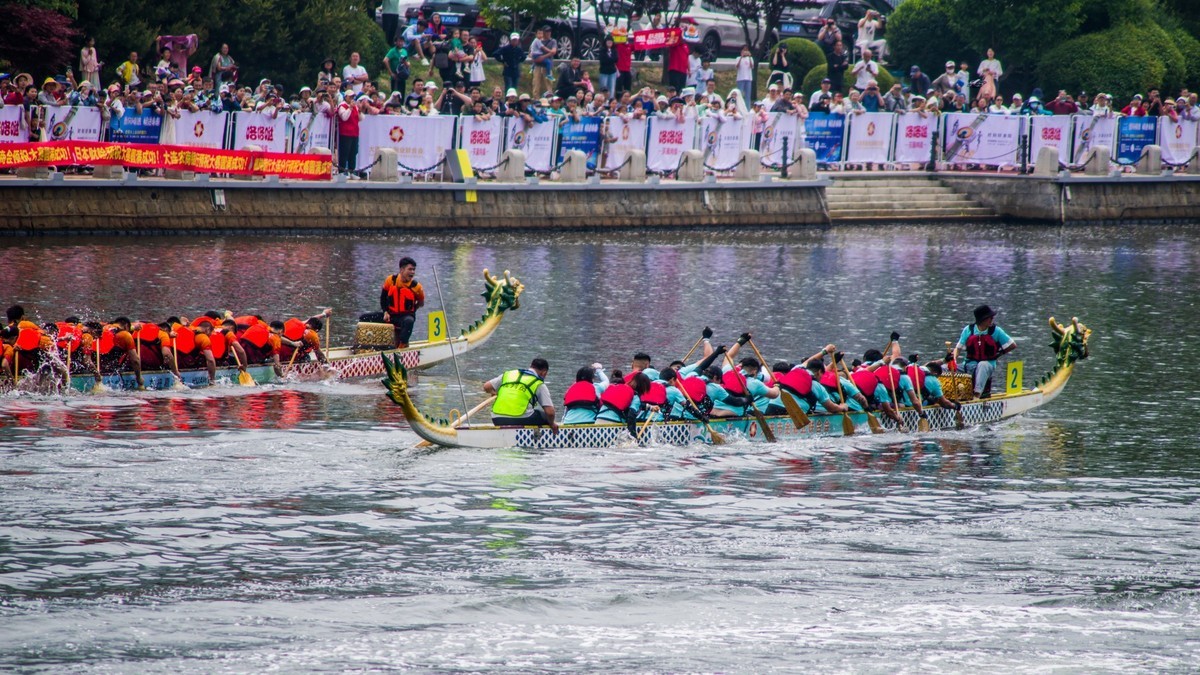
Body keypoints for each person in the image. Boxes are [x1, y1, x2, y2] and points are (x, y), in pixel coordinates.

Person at [952, 304, 1016, 399]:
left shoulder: (996, 331)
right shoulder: (968, 330)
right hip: (968, 365)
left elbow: (1012, 345)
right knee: (944, 368)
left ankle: (976, 395)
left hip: (987, 365)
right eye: (990, 318)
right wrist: (954, 360)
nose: (992, 320)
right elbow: (958, 348)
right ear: (982, 319)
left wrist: (999, 354)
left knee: (982, 364)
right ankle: (945, 396)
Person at [485, 358, 557, 431]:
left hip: (497, 419)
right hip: (520, 420)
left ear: (531, 366)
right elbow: (550, 412)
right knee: (544, 414)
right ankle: (537, 437)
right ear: (544, 373)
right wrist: (552, 423)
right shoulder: (538, 383)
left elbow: (486, 387)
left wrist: (495, 393)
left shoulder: (509, 374)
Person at [379, 256, 425, 348]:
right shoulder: (390, 280)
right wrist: (385, 311)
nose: (412, 272)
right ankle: (365, 347)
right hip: (390, 315)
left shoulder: (417, 287)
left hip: (405, 317)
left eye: (414, 269)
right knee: (364, 318)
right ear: (402, 270)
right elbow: (383, 298)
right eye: (410, 269)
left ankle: (402, 347)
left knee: (409, 321)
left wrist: (412, 311)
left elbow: (421, 303)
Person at [336, 91, 361, 176]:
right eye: (350, 97)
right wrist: (350, 108)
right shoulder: (342, 106)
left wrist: (360, 111)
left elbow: (360, 118)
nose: (351, 98)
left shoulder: (355, 107)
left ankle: (351, 172)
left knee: (353, 153)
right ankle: (341, 172)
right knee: (344, 153)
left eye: (352, 97)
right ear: (345, 97)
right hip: (345, 133)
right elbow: (344, 118)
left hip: (354, 133)